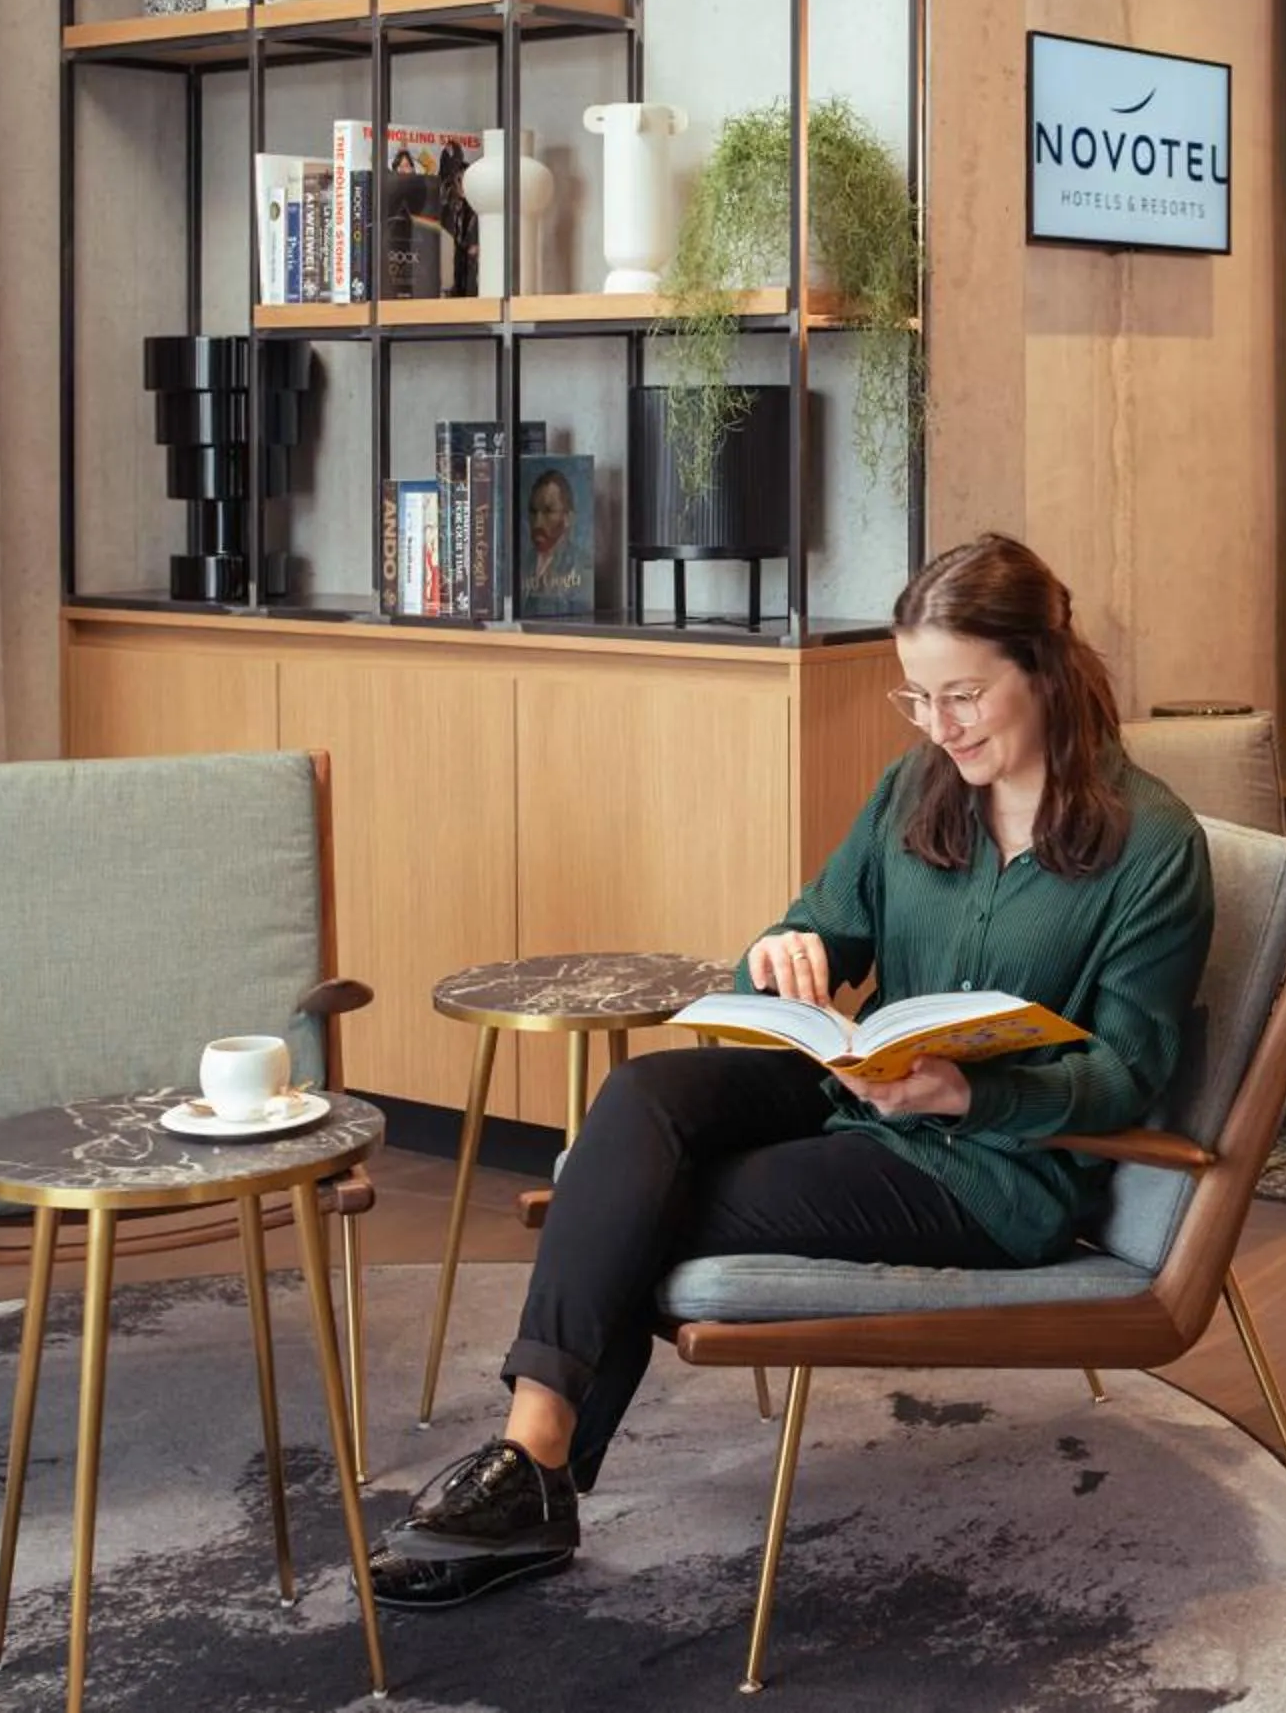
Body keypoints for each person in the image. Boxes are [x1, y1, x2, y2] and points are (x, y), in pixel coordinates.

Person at [369, 532, 1218, 1607]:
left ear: (1044, 671)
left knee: (656, 1195)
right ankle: (534, 1467)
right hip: (859, 1094)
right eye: (917, 697)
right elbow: (828, 927)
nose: (940, 725)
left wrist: (969, 1089)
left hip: (992, 1168)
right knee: (641, 1099)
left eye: (964, 695)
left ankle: (531, 1476)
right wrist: (783, 950)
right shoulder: (918, 787)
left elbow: (1128, 1074)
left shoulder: (1152, 848)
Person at [520, 464, 592, 612]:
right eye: (533, 512)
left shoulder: (582, 568)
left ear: (568, 518)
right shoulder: (522, 564)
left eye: (548, 511)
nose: (537, 522)